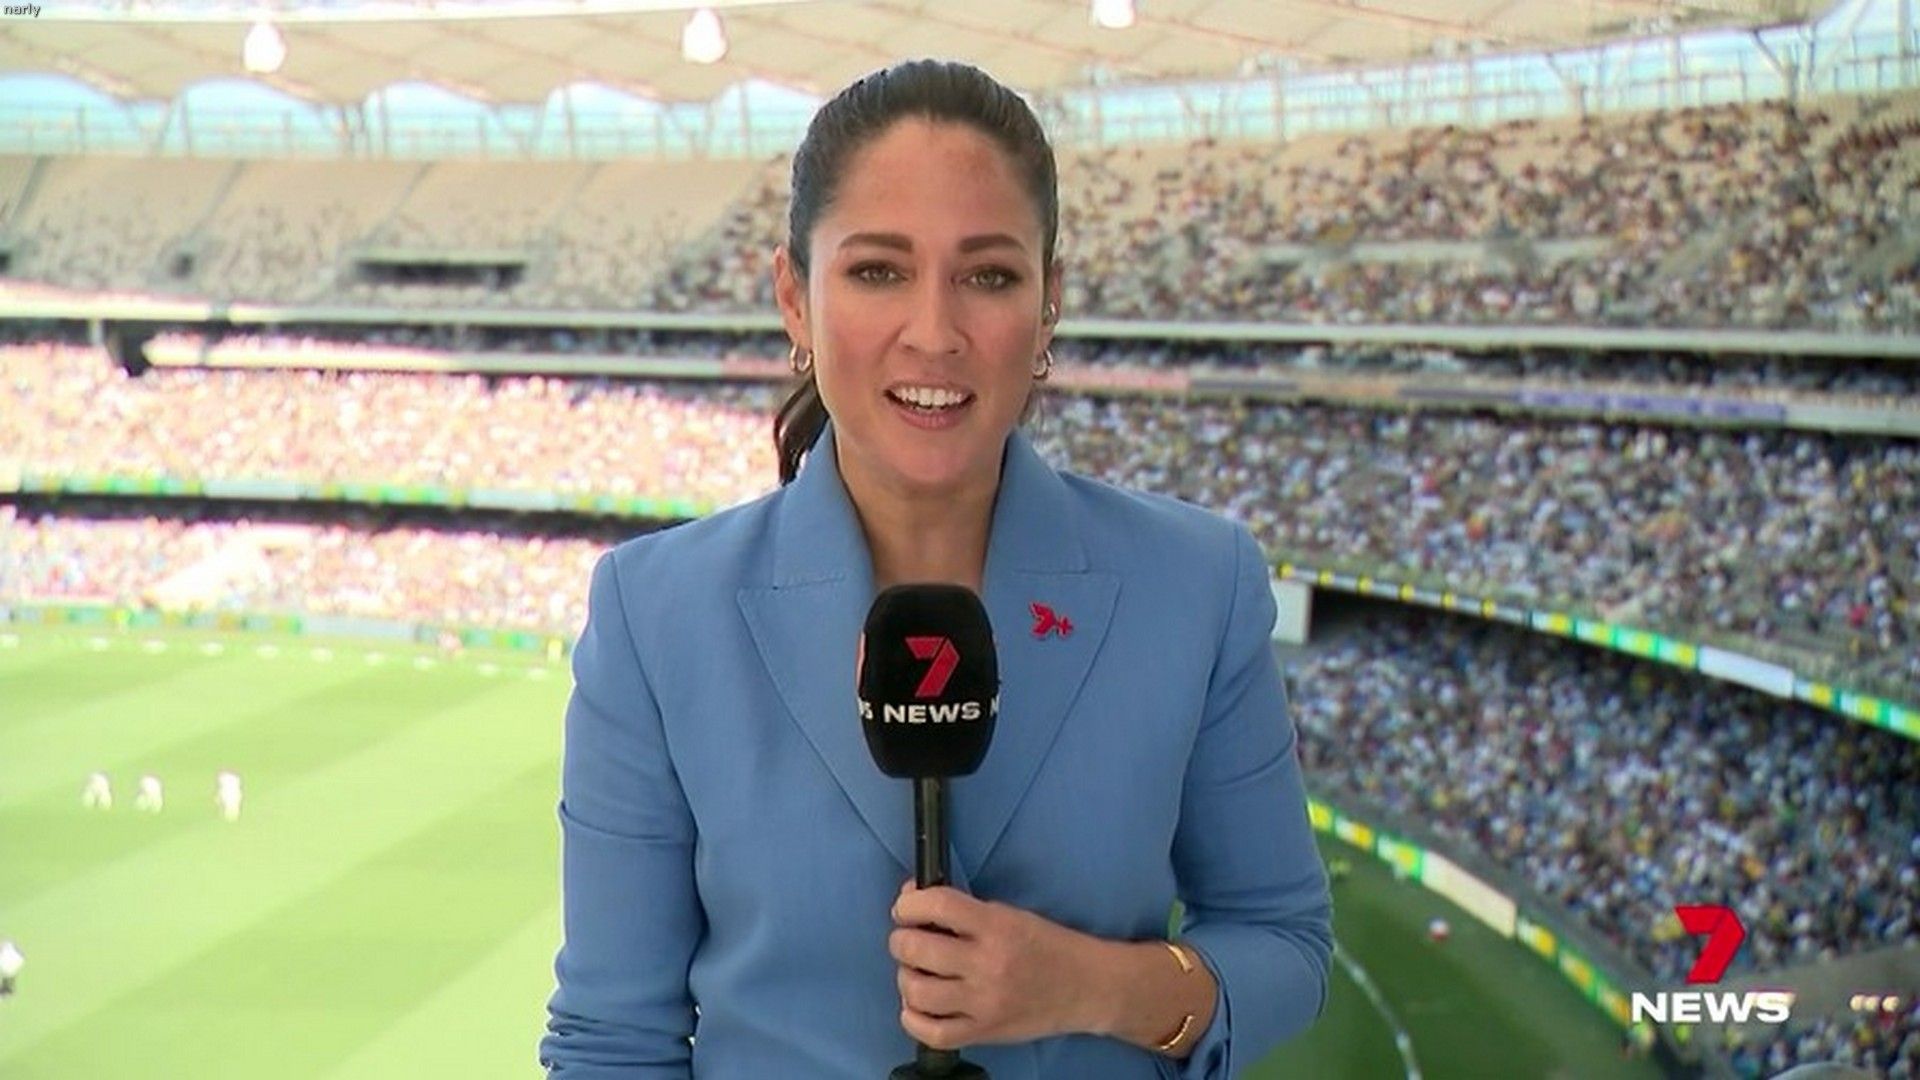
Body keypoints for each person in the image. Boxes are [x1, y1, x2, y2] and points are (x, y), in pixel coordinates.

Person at [540, 59, 1332, 1079]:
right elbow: (612, 1041)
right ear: (794, 298)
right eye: (878, 272)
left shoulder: (1197, 584)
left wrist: (1088, 985)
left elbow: (1285, 942)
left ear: (1049, 304)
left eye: (989, 277)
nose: (935, 333)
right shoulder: (655, 615)